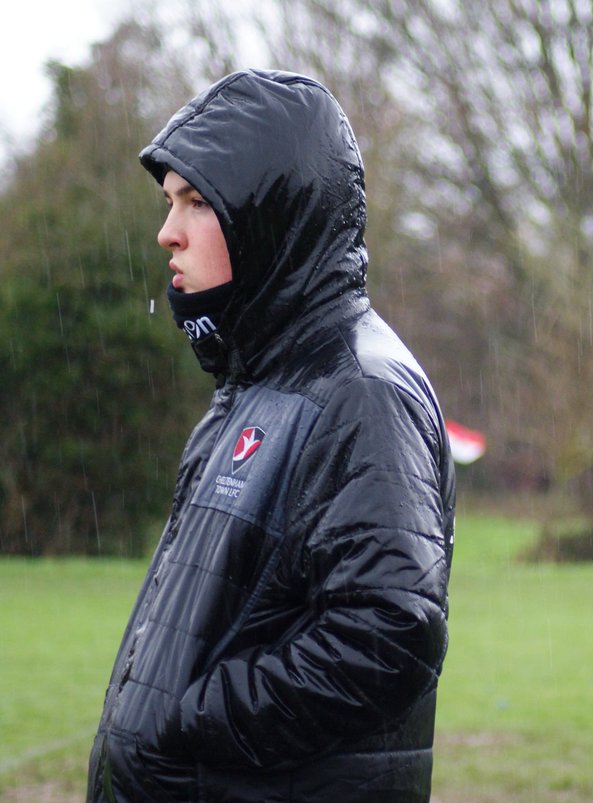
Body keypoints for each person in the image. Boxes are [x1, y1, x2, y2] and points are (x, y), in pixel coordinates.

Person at [87, 70, 455, 802]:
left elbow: (388, 632)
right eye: (170, 203)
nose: (168, 231)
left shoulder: (361, 390)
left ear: (270, 215)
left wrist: (189, 722)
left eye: (197, 202)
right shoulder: (250, 386)